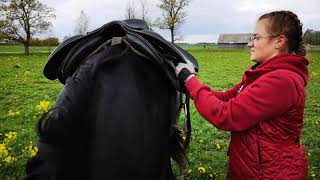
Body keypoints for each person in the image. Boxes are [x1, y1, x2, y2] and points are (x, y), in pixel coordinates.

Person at [175, 10, 309, 179]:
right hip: (256, 168)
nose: (249, 44)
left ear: (279, 41)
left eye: (256, 37)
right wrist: (190, 87)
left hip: (269, 173)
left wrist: (189, 79)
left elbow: (226, 115)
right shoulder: (264, 74)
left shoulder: (281, 81)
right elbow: (224, 99)